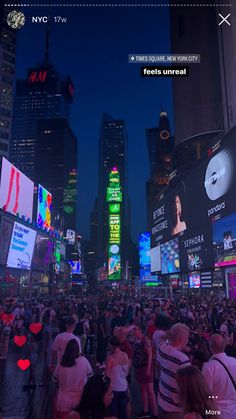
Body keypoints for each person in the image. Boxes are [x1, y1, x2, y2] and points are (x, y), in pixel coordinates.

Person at [157, 323, 191, 419]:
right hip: (175, 410)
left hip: (161, 402)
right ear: (182, 339)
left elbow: (164, 340)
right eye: (187, 337)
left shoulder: (161, 347)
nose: (188, 340)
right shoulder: (183, 360)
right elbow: (187, 388)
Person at [53, 339, 92, 419]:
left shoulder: (61, 363)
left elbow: (54, 379)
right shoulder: (84, 361)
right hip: (79, 400)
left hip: (63, 401)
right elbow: (90, 374)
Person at [202, 334, 236, 419]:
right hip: (233, 411)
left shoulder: (208, 367)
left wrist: (210, 413)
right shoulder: (234, 362)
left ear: (210, 347)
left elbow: (207, 395)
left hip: (217, 413)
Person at [133, 326, 158, 419]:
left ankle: (155, 414)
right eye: (134, 333)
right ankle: (145, 410)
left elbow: (150, 354)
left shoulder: (145, 340)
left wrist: (148, 368)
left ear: (140, 331)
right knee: (143, 390)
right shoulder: (137, 341)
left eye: (136, 333)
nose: (135, 335)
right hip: (140, 368)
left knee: (150, 391)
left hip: (146, 368)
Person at [105, 335, 129, 419]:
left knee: (113, 414)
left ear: (111, 345)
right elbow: (126, 373)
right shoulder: (125, 355)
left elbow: (107, 377)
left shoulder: (110, 359)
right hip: (123, 387)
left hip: (113, 389)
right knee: (123, 413)